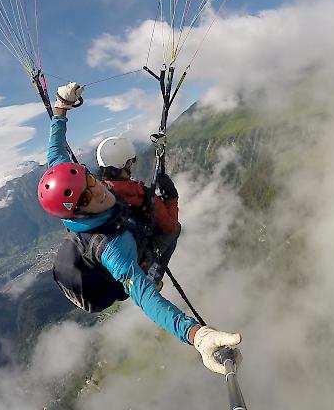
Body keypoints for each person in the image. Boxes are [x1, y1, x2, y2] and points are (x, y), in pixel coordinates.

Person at [38, 82, 241, 375]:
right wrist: (197, 335)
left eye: (90, 182)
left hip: (90, 258)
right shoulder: (113, 248)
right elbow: (147, 297)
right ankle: (154, 270)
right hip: (113, 279)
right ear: (77, 213)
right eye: (85, 198)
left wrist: (61, 106)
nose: (96, 192)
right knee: (172, 233)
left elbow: (55, 150)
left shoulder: (65, 179)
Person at [95, 135, 180, 290]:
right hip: (135, 258)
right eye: (131, 161)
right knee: (176, 229)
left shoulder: (97, 191)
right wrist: (172, 198)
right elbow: (170, 226)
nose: (132, 165)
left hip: (107, 259)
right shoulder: (141, 195)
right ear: (125, 164)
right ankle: (152, 276)